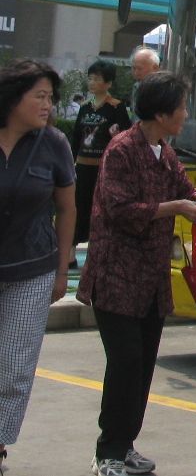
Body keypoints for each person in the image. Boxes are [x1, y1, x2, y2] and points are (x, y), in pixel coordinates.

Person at [77, 72, 196, 476]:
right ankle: (108, 451)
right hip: (116, 275)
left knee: (141, 367)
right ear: (161, 111)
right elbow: (119, 209)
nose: (186, 114)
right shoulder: (122, 149)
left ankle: (124, 446)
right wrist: (175, 207)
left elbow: (186, 191)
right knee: (125, 362)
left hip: (150, 280)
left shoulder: (164, 151)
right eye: (181, 107)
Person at [0, 60, 76, 473]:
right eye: (40, 97)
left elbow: (67, 209)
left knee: (14, 365)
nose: (48, 105)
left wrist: (63, 267)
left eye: (51, 98)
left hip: (33, 269)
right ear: (14, 98)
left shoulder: (54, 144)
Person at [70, 61, 132, 270]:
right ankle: (70, 253)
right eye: (91, 78)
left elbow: (126, 135)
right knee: (77, 207)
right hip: (82, 166)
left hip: (104, 168)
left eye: (97, 79)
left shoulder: (116, 107)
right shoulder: (85, 108)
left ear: (108, 83)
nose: (92, 82)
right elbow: (76, 137)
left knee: (100, 210)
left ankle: (95, 256)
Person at [128, 48, 160, 116]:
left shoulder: (165, 90)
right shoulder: (136, 87)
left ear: (155, 68)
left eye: (140, 69)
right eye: (133, 68)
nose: (136, 73)